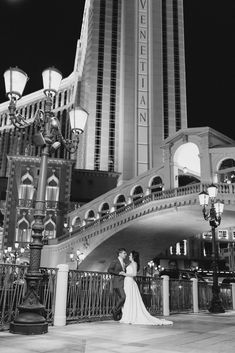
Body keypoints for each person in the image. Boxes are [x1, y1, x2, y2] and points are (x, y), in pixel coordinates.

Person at [119, 250, 173, 325]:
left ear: (133, 256)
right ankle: (127, 315)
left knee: (130, 298)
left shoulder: (134, 263)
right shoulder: (130, 263)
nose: (129, 256)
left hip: (130, 282)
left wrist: (125, 274)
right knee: (127, 298)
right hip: (127, 282)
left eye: (130, 255)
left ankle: (130, 316)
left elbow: (134, 274)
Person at [107, 248, 127, 321]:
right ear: (120, 254)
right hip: (117, 283)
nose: (126, 255)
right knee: (123, 297)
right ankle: (115, 310)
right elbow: (109, 270)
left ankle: (118, 314)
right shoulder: (115, 261)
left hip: (123, 283)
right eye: (124, 253)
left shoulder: (124, 263)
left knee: (122, 299)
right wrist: (118, 273)